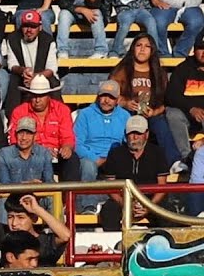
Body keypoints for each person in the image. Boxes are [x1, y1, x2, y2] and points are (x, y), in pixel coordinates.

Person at [109, 33, 182, 165]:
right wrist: (125, 103)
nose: (142, 49)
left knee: (160, 124)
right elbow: (109, 95)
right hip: (128, 112)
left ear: (152, 51)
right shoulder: (122, 70)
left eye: (147, 46)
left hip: (151, 113)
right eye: (139, 45)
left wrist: (154, 112)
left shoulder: (159, 73)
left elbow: (166, 101)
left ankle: (174, 161)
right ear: (133, 48)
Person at [98, 115, 174, 230]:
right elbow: (110, 186)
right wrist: (125, 203)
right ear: (125, 134)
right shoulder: (115, 154)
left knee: (168, 213)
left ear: (146, 134)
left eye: (138, 133)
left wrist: (149, 206)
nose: (134, 137)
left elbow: (162, 186)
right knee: (108, 211)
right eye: (131, 133)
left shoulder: (157, 153)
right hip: (124, 199)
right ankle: (116, 245)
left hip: (151, 200)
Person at [8, 75, 80, 182]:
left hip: (57, 155)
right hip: (30, 155)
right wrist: (40, 151)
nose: (37, 100)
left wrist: (66, 147)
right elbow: (15, 141)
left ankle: (69, 197)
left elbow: (67, 136)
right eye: (34, 96)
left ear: (49, 96)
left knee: (72, 159)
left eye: (41, 96)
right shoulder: (19, 112)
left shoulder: (62, 110)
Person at [74, 79, 131, 210]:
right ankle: (87, 205)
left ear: (118, 99)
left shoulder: (124, 116)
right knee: (87, 165)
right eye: (103, 96)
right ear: (98, 97)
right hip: (91, 157)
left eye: (111, 97)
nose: (106, 100)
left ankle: (128, 204)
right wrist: (96, 159)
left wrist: (113, 158)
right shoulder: (85, 114)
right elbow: (76, 143)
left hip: (115, 157)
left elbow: (127, 142)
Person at [2, 8, 57, 115]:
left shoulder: (48, 40)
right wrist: (23, 71)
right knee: (13, 79)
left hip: (42, 76)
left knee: (52, 81)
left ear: (40, 27)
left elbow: (51, 69)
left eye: (33, 27)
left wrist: (35, 77)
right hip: (22, 76)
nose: (29, 30)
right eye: (26, 26)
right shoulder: (13, 39)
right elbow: (12, 65)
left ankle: (56, 117)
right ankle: (12, 119)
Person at [165, 33, 204, 165]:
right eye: (201, 48)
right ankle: (186, 158)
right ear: (195, 49)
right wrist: (191, 108)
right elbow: (171, 95)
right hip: (187, 117)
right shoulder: (184, 68)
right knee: (172, 113)